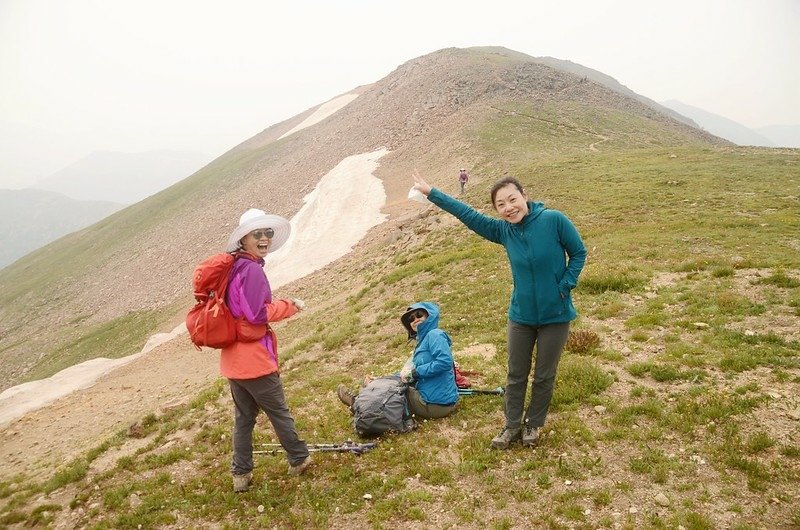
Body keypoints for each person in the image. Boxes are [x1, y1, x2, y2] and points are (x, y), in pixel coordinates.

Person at [412, 171, 586, 449]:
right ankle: (511, 425)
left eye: (512, 199)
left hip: (556, 316)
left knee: (544, 374)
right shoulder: (503, 231)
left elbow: (578, 252)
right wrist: (432, 192)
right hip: (521, 316)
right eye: (501, 205)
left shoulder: (554, 220)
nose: (509, 208)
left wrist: (565, 285)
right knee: (516, 374)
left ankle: (533, 425)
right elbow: (467, 214)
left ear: (524, 196)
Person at [222, 208, 311, 493]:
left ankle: (241, 474)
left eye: (267, 233)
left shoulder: (234, 267)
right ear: (243, 239)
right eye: (257, 234)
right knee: (279, 413)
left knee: (244, 419)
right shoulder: (251, 270)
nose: (264, 238)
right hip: (255, 362)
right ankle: (299, 457)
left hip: (234, 361)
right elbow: (257, 315)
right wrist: (290, 306)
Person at [337, 301, 459, 420]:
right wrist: (381, 379)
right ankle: (364, 398)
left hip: (436, 404)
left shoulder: (435, 335)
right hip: (432, 398)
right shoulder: (422, 342)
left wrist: (416, 372)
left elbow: (444, 362)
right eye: (411, 319)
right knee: (393, 384)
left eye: (419, 315)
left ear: (429, 316)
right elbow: (407, 373)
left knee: (394, 392)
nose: (415, 320)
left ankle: (357, 403)